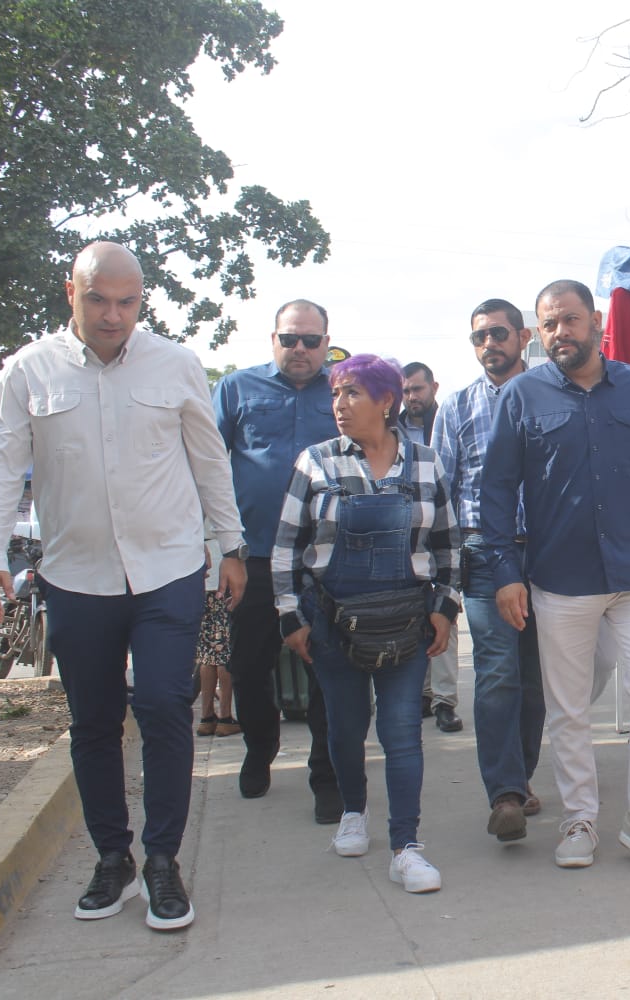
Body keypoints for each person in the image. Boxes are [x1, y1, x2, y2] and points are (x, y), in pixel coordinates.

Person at [0, 242, 246, 932]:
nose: (112, 315)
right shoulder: (27, 370)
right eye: (98, 299)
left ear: (142, 300)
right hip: (76, 577)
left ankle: (162, 861)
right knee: (93, 722)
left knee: (161, 702)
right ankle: (113, 859)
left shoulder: (177, 364)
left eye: (128, 302)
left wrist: (232, 545)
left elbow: (209, 460)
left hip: (168, 570)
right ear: (71, 290)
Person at [484, 279, 630, 872]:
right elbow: (497, 490)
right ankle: (580, 817)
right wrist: (506, 572)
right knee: (568, 708)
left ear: (597, 321)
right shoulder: (522, 396)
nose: (561, 333)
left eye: (571, 321)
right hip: (560, 580)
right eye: (550, 324)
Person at [273, 354, 460, 894]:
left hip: (406, 623)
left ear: (386, 401)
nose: (339, 404)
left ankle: (407, 845)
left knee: (401, 734)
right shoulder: (316, 462)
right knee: (345, 727)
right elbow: (286, 546)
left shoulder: (426, 463)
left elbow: (448, 545)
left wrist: (443, 609)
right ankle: (353, 810)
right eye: (335, 393)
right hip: (331, 623)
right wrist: (291, 619)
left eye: (352, 392)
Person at [213, 301, 341, 822]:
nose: (301, 350)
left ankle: (326, 774)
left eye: (311, 341)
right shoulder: (236, 388)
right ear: (273, 340)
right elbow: (206, 462)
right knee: (247, 665)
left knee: (328, 669)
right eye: (290, 339)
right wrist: (222, 548)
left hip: (328, 558)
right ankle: (260, 748)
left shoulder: (343, 390)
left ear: (326, 342)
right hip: (256, 557)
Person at [430, 300, 546, 843]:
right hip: (482, 554)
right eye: (478, 337)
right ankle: (504, 794)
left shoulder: (553, 392)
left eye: (498, 334)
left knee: (535, 679)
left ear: (523, 336)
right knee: (498, 672)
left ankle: (519, 778)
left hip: (548, 554)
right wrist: (443, 580)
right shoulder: (454, 407)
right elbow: (442, 494)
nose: (488, 345)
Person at [401, 361, 461, 733]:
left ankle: (444, 701)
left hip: (441, 530)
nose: (411, 398)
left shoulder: (446, 419)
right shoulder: (392, 425)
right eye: (405, 391)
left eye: (417, 390)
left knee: (445, 612)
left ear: (433, 388)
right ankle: (421, 694)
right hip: (405, 536)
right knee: (412, 615)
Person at [195, 537, 239, 737]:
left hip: (200, 575)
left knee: (206, 653)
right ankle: (225, 716)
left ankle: (206, 717)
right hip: (223, 575)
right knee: (223, 653)